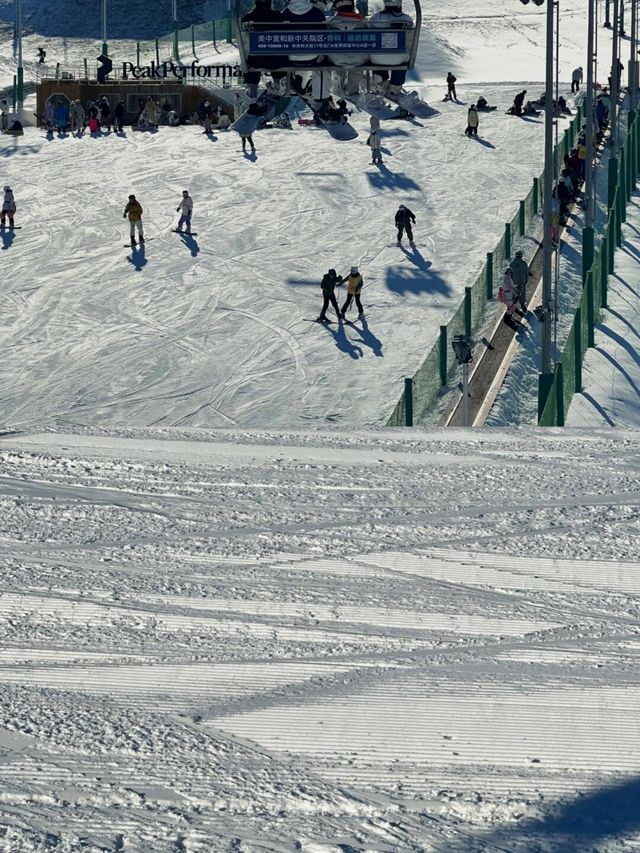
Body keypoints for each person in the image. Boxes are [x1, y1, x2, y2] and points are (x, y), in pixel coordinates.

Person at [367, 0, 414, 97]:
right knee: (401, 58)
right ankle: (396, 85)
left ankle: (381, 81)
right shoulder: (406, 19)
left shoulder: (375, 18)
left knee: (378, 56)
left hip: (377, 59)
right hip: (400, 58)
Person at [328, 0, 366, 95]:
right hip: (358, 59)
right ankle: (352, 89)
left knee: (337, 53)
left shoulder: (332, 22)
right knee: (358, 61)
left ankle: (338, 82)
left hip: (336, 59)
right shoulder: (361, 22)